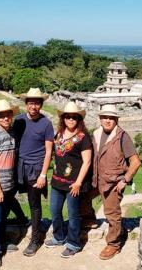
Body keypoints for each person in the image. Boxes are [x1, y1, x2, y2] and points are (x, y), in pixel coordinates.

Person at [91, 104, 141, 260]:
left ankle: (113, 244)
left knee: (112, 214)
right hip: (97, 179)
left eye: (111, 118)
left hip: (113, 182)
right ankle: (89, 221)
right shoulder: (96, 134)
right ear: (100, 119)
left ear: (116, 119)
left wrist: (125, 180)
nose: (107, 120)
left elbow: (136, 162)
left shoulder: (122, 136)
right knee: (80, 197)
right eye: (105, 117)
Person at [45, 102, 92, 258]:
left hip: (74, 184)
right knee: (54, 211)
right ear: (63, 118)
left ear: (79, 119)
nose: (71, 120)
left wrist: (78, 182)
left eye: (74, 117)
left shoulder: (83, 138)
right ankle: (59, 237)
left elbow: (87, 162)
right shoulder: (58, 134)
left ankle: (73, 243)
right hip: (58, 181)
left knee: (73, 214)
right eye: (68, 117)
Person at [13, 88, 54, 257]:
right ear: (26, 104)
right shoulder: (19, 120)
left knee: (34, 204)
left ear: (41, 105)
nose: (34, 106)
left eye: (37, 103)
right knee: (6, 196)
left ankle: (35, 239)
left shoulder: (46, 123)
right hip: (18, 165)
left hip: (36, 168)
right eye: (31, 103)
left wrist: (43, 174)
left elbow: (48, 150)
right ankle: (21, 219)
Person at [0, 99, 22, 267]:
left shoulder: (12, 133)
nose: (6, 118)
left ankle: (1, 244)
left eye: (8, 115)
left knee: (2, 217)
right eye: (2, 116)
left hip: (9, 184)